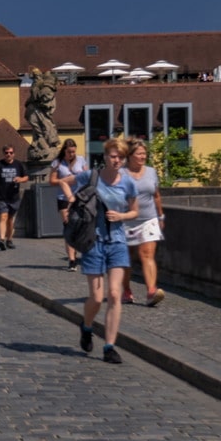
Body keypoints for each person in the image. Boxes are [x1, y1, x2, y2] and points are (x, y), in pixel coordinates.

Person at [70, 136, 140, 364]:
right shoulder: (92, 177)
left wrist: (121, 216)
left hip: (118, 241)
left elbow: (135, 212)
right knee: (97, 297)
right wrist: (70, 203)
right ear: (105, 156)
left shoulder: (128, 182)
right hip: (94, 241)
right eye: (113, 156)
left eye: (121, 157)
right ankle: (87, 326)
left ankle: (109, 346)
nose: (117, 160)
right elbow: (62, 181)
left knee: (115, 294)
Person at [122, 138, 166, 307]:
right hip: (127, 220)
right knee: (126, 258)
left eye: (144, 154)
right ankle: (126, 290)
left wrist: (160, 216)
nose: (142, 157)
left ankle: (151, 291)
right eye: (139, 154)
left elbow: (156, 195)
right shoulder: (122, 173)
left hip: (149, 218)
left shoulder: (151, 172)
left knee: (147, 254)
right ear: (130, 156)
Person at [50, 138, 89, 268]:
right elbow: (52, 181)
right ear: (64, 151)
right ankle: (72, 259)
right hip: (63, 198)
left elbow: (87, 176)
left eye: (73, 152)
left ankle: (80, 252)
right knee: (69, 226)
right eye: (69, 152)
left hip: (79, 197)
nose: (72, 154)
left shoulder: (81, 160)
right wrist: (64, 181)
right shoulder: (57, 162)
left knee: (80, 227)